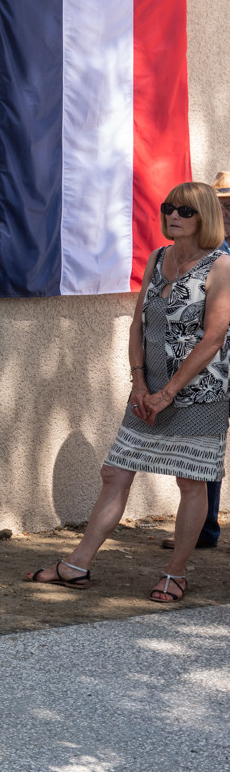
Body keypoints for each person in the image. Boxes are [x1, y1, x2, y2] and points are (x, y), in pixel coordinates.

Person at [27, 181, 230, 602]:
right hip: (148, 390)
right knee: (115, 473)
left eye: (186, 210)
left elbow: (212, 339)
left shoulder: (222, 266)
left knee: (191, 481)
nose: (173, 215)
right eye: (169, 207)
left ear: (205, 217)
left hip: (199, 393)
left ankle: (175, 574)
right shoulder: (158, 257)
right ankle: (76, 565)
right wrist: (139, 382)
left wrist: (168, 393)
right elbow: (139, 325)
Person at [162, 170, 230, 552]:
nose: (228, 211)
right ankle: (204, 530)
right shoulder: (207, 255)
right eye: (223, 204)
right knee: (206, 450)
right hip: (214, 369)